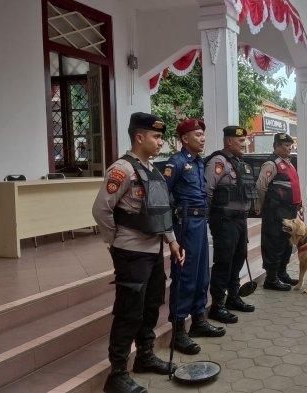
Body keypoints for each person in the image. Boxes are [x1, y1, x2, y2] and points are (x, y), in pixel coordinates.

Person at [92, 112, 184, 393]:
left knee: (151, 305)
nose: (160, 142)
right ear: (139, 137)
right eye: (156, 137)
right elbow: (101, 210)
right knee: (128, 311)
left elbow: (161, 212)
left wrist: (172, 241)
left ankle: (144, 356)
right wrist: (114, 240)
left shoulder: (152, 169)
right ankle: (117, 374)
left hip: (154, 251)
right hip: (131, 252)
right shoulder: (122, 169)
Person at [163, 118, 225, 355]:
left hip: (200, 223)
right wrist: (170, 230)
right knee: (185, 275)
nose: (202, 138)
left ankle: (198, 320)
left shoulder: (199, 163)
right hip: (185, 223)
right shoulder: (176, 163)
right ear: (184, 138)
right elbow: (163, 196)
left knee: (201, 273)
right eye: (197, 134)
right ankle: (178, 331)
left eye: (202, 134)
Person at [204, 125, 258, 324]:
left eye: (245, 140)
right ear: (228, 141)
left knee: (238, 257)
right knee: (224, 261)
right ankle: (218, 305)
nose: (245, 144)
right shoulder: (218, 162)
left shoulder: (239, 162)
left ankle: (233, 297)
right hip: (224, 220)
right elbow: (207, 192)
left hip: (239, 220)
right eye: (240, 141)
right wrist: (208, 218)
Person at [256, 132, 302, 291]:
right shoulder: (271, 164)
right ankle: (271, 278)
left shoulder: (288, 163)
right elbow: (261, 187)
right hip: (275, 212)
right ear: (275, 146)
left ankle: (282, 274)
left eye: (290, 145)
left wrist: (299, 206)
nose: (289, 148)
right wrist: (261, 206)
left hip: (289, 211)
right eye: (285, 146)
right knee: (274, 243)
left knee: (286, 243)